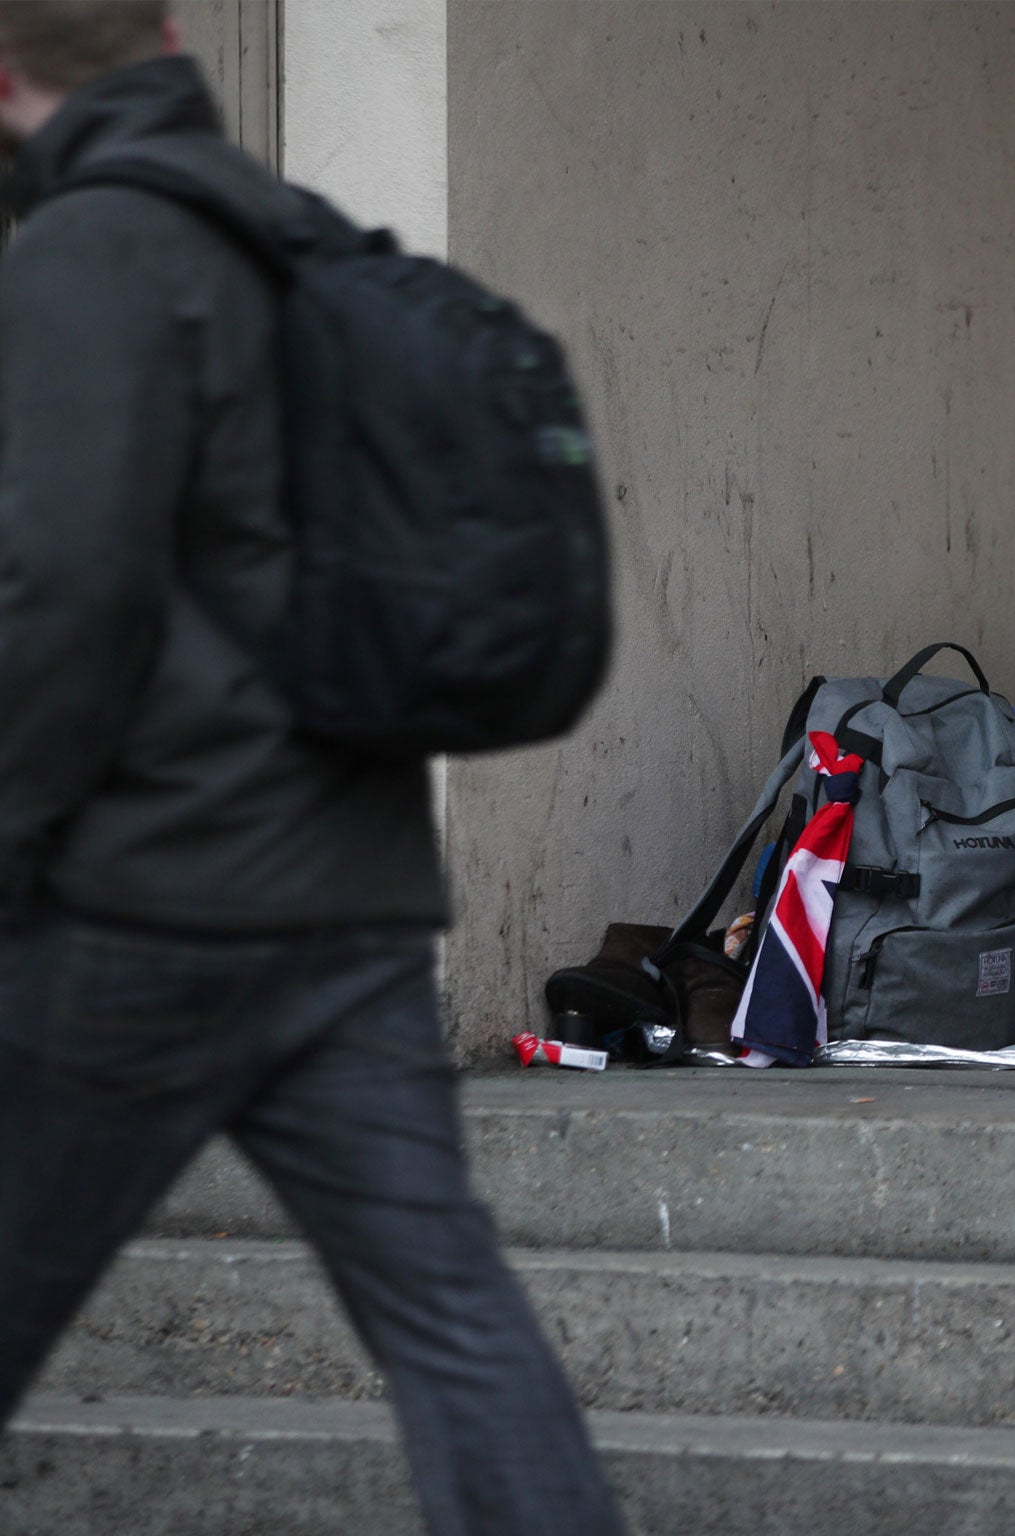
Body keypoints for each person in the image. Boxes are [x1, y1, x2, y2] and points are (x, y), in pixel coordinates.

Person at [0, 6, 628, 1532]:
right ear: (161, 38)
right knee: (453, 1325)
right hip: (346, 896)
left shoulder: (95, 250)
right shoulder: (305, 242)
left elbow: (62, 591)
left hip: (145, 908)